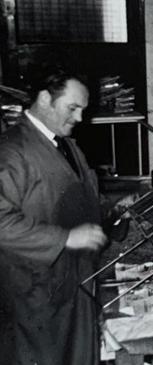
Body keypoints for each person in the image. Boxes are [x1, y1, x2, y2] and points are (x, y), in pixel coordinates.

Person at [0, 69, 107, 365]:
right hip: (36, 291)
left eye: (83, 110)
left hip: (75, 281)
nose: (80, 118)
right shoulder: (12, 151)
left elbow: (82, 195)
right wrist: (66, 237)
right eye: (73, 108)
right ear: (45, 99)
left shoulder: (66, 144)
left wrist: (113, 209)